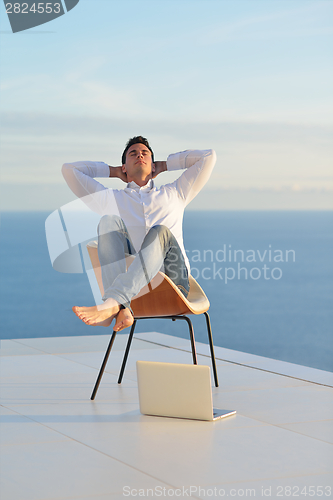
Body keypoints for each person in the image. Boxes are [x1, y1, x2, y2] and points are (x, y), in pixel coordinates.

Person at [62, 136, 216, 332]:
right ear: (124, 167)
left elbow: (208, 157)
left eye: (145, 153)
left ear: (153, 165)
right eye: (132, 154)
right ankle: (121, 307)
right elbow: (69, 170)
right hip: (137, 291)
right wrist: (112, 171)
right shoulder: (111, 199)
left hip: (174, 283)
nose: (139, 155)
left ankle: (112, 304)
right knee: (108, 222)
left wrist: (165, 165)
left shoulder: (176, 192)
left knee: (160, 232)